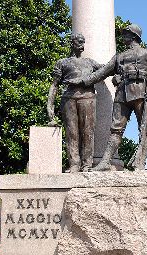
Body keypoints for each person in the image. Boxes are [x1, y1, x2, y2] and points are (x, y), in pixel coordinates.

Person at [69, 24, 147, 171]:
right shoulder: (119, 56)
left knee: (145, 129)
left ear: (134, 36)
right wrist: (82, 81)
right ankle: (105, 161)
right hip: (122, 94)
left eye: (126, 33)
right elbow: (102, 72)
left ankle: (140, 163)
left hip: (142, 93)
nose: (123, 36)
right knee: (116, 129)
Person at [47, 33, 102, 172]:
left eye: (83, 42)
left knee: (88, 131)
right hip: (69, 98)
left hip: (88, 97)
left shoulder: (90, 62)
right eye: (79, 42)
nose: (82, 45)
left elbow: (106, 70)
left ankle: (87, 164)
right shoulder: (62, 63)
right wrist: (50, 105)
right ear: (72, 43)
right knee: (71, 133)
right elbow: (54, 85)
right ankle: (74, 164)